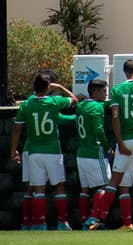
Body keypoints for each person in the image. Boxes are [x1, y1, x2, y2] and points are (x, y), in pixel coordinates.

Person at [88, 58, 133, 230]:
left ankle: (100, 220)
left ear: (125, 72)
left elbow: (115, 117)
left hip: (126, 138)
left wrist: (119, 142)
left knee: (115, 181)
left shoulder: (117, 89)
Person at [9, 72, 76, 231]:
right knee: (58, 187)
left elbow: (17, 129)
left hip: (34, 152)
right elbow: (74, 100)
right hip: (52, 150)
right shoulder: (54, 102)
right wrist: (59, 87)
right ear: (48, 87)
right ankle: (62, 222)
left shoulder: (27, 105)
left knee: (38, 190)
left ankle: (39, 224)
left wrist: (13, 151)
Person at [75, 78, 111, 230]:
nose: (106, 94)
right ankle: (93, 218)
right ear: (95, 92)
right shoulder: (96, 108)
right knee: (104, 185)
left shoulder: (81, 106)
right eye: (104, 91)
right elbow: (98, 130)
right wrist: (108, 147)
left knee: (84, 188)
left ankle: (83, 220)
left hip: (81, 153)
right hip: (95, 153)